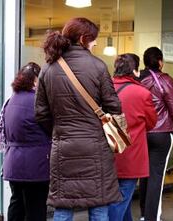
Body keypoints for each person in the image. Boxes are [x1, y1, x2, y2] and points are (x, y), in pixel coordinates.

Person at [35, 17, 122, 220]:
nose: (95, 44)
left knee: (63, 206)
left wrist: (59, 132)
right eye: (93, 40)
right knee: (98, 204)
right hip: (96, 147)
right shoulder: (98, 66)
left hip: (63, 147)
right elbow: (114, 107)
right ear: (83, 39)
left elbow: (40, 113)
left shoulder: (48, 68)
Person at [108, 54, 157, 221]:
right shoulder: (142, 93)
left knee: (123, 199)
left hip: (107, 151)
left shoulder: (104, 89)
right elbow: (151, 123)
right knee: (121, 198)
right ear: (135, 71)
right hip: (131, 153)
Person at [138, 47, 173, 221]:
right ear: (160, 62)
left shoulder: (137, 80)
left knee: (144, 173)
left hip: (141, 132)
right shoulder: (165, 80)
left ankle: (144, 214)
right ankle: (152, 217)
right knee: (156, 175)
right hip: (161, 132)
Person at [2, 62, 51, 221]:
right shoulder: (37, 101)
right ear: (36, 80)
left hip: (13, 162)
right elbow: (50, 127)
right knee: (36, 207)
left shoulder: (11, 100)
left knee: (16, 203)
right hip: (35, 164)